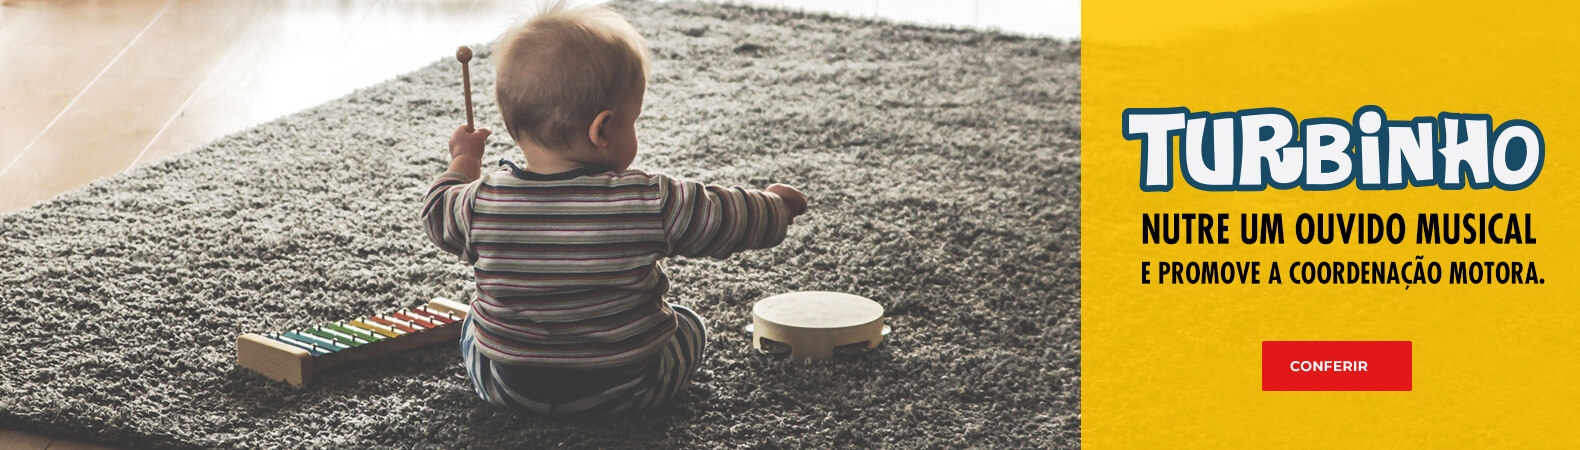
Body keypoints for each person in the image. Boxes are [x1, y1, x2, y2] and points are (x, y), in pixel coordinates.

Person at [421, 1, 807, 418]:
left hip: (512, 389)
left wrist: (464, 160)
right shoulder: (649, 200)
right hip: (628, 389)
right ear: (602, 128)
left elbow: (436, 210)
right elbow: (725, 216)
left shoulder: (478, 204)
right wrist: (776, 207)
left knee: (471, 327)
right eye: (634, 120)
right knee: (690, 324)